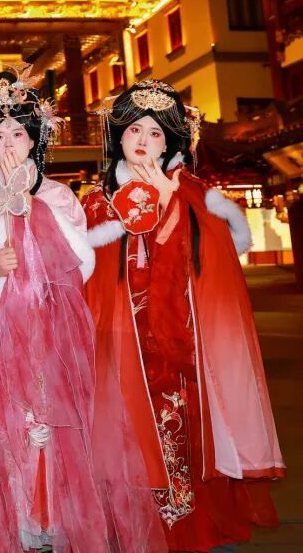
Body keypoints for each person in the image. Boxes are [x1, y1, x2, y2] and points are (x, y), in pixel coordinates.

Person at [0, 65, 164, 552]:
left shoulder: (57, 195)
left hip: (48, 333)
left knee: (51, 424)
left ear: (35, 138)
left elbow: (82, 265)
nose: (9, 145)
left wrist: (31, 214)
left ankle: (50, 519)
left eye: (18, 134)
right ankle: (10, 519)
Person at [82, 78, 284, 551]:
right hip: (118, 342)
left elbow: (211, 264)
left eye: (155, 133)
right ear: (118, 136)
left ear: (171, 142)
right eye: (134, 130)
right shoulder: (94, 200)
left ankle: (187, 527)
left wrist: (169, 201)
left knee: (181, 433)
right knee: (125, 436)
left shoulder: (194, 194)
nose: (143, 141)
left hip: (180, 342)